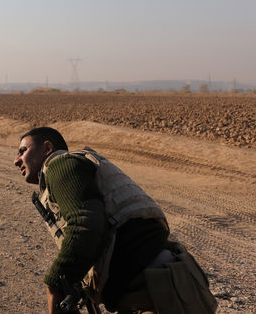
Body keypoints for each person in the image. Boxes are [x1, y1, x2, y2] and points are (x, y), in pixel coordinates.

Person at [13, 126, 217, 314]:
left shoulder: (60, 164)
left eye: (23, 151)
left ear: (47, 148)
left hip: (156, 290)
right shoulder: (76, 166)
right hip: (169, 283)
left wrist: (55, 284)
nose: (16, 160)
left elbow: (84, 226)